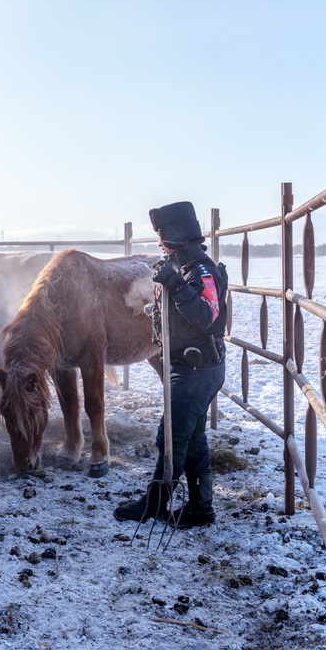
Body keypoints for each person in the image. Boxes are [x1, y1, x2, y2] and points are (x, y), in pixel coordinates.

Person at [114, 201, 228, 528]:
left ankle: (155, 503)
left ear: (175, 236)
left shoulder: (200, 271)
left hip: (197, 370)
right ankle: (200, 508)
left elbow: (205, 317)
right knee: (191, 437)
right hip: (189, 368)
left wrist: (175, 286)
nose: (159, 244)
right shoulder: (184, 267)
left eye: (162, 236)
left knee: (172, 438)